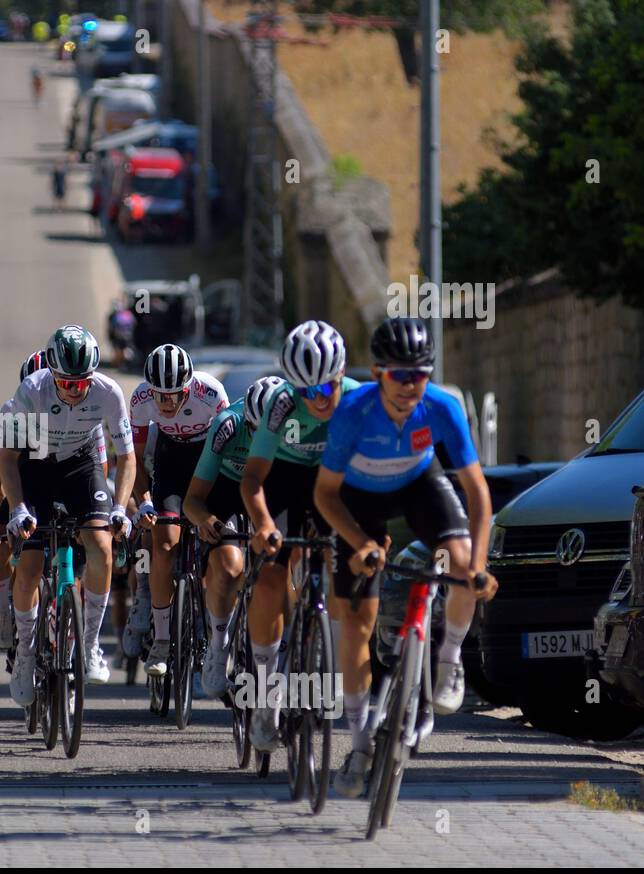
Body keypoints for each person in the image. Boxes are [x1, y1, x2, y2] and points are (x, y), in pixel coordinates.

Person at [314, 317, 498, 798]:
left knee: (459, 564)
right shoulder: (352, 411)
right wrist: (361, 544)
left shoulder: (442, 407)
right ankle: (358, 745)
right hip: (358, 499)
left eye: (419, 375)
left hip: (420, 485)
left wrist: (478, 564)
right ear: (378, 374)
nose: (410, 386)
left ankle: (449, 658)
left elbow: (477, 493)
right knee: (357, 618)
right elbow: (325, 496)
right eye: (400, 376)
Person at [239, 320, 362, 752]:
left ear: (340, 376)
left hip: (333, 480)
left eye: (326, 388)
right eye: (307, 392)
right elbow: (253, 478)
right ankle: (266, 695)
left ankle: (327, 658)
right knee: (272, 579)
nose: (319, 399)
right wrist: (265, 526)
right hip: (284, 479)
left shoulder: (357, 399)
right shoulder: (279, 403)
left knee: (342, 560)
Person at [0, 325, 136, 704]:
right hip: (37, 463)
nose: (76, 392)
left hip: (82, 463)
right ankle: (26, 653)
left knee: (101, 545)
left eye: (83, 384)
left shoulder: (109, 393)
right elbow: (9, 461)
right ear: (53, 374)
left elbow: (126, 458)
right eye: (68, 384)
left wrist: (121, 508)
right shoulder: (31, 390)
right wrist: (17, 509)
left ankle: (89, 645)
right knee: (28, 565)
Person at [127, 345, 229, 678]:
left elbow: (230, 444)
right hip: (169, 466)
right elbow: (136, 459)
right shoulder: (141, 399)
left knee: (216, 549)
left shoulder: (210, 392)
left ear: (189, 386)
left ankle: (210, 632)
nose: (168, 403)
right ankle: (161, 638)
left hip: (207, 466)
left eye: (175, 395)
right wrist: (143, 500)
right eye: (161, 396)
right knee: (165, 545)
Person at [182, 375, 283, 694]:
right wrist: (207, 520)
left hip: (272, 491)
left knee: (288, 565)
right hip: (226, 490)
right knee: (228, 567)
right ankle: (218, 645)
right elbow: (192, 500)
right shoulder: (227, 426)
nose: (260, 440)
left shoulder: (295, 430)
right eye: (254, 431)